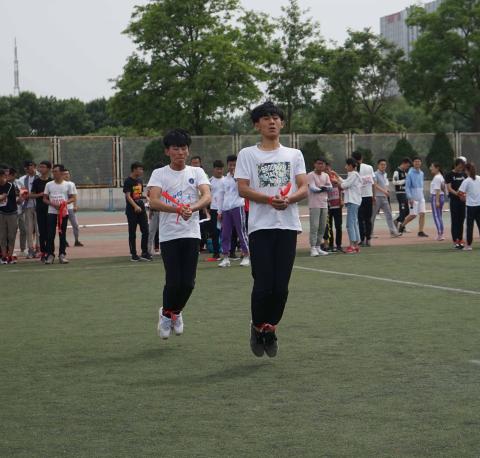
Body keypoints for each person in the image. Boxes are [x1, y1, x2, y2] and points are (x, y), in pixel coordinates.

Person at [235, 101, 308, 358]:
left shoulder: (294, 154)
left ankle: (271, 328)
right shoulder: (248, 154)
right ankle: (257, 327)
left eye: (276, 117)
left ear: (282, 123)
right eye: (266, 118)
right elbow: (242, 188)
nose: (272, 122)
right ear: (257, 125)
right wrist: (269, 200)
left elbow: (303, 186)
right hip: (260, 227)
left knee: (281, 287)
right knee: (263, 284)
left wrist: (289, 199)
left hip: (287, 225)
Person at [148, 129, 211, 340]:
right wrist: (177, 209)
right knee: (174, 281)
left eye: (184, 148)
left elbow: (207, 195)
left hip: (191, 233)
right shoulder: (159, 174)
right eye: (175, 148)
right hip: (169, 235)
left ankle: (176, 311)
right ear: (167, 151)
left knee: (188, 283)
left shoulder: (197, 172)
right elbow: (154, 200)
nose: (180, 152)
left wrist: (192, 208)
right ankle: (166, 314)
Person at [217, 155, 250, 267]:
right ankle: (226, 258)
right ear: (227, 165)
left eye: (234, 165)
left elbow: (245, 189)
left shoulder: (241, 178)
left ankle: (246, 256)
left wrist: (237, 177)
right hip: (226, 209)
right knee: (225, 233)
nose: (232, 167)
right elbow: (221, 196)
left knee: (241, 232)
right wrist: (219, 211)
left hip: (238, 207)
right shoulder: (224, 180)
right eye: (230, 165)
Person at [43, 164, 77, 265]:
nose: (54, 173)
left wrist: (64, 203)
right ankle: (50, 255)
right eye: (53, 171)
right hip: (51, 212)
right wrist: (53, 204)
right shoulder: (49, 184)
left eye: (56, 171)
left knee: (62, 234)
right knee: (50, 234)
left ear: (61, 173)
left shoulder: (68, 185)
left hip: (63, 212)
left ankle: (62, 254)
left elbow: (73, 198)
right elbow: (44, 199)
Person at [123, 162, 151, 262]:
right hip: (131, 211)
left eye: (142, 169)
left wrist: (146, 197)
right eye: (140, 169)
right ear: (134, 169)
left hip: (141, 209)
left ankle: (144, 252)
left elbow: (138, 195)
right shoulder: (128, 181)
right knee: (132, 233)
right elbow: (128, 196)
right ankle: (134, 254)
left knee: (146, 231)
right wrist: (135, 206)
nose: (142, 171)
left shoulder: (139, 180)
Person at [307, 158, 332, 257]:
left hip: (324, 204)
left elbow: (330, 187)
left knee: (322, 226)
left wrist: (324, 188)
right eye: (319, 163)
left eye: (323, 164)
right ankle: (313, 247)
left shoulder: (326, 175)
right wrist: (323, 188)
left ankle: (318, 246)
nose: (321, 165)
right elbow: (313, 188)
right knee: (314, 226)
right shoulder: (310, 175)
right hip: (314, 204)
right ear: (315, 164)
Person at [337, 158, 362, 254]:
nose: (345, 167)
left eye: (347, 165)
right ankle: (356, 245)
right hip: (354, 201)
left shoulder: (354, 175)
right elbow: (345, 182)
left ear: (351, 166)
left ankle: (352, 245)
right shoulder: (353, 175)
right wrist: (337, 176)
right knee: (354, 223)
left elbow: (344, 185)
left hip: (353, 201)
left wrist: (336, 181)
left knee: (350, 224)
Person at [399, 157, 428, 237]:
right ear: (413, 163)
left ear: (421, 163)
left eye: (418, 161)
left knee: (422, 213)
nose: (417, 163)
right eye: (415, 161)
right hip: (413, 197)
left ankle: (420, 231)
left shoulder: (422, 173)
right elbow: (407, 187)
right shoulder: (410, 173)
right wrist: (410, 197)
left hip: (421, 196)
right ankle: (402, 225)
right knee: (413, 215)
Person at [352, 151, 375, 247]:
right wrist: (373, 195)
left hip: (358, 197)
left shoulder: (353, 169)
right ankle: (368, 239)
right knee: (368, 219)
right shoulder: (369, 167)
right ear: (362, 158)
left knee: (360, 219)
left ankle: (361, 239)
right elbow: (373, 183)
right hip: (368, 195)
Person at [30, 161, 52, 262]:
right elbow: (31, 195)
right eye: (40, 167)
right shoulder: (36, 181)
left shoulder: (51, 182)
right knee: (42, 232)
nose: (41, 169)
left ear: (48, 169)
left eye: (43, 167)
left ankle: (50, 252)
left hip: (51, 210)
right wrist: (40, 194)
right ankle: (43, 252)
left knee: (50, 232)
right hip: (40, 209)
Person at [372, 159, 400, 238]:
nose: (383, 166)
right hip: (377, 197)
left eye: (384, 165)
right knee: (372, 216)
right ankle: (370, 233)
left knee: (389, 215)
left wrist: (387, 190)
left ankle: (393, 232)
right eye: (381, 164)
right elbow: (375, 185)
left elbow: (385, 184)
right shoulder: (375, 174)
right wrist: (384, 191)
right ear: (378, 165)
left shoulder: (385, 174)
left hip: (384, 198)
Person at [445, 158, 467, 249]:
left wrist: (464, 195)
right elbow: (449, 188)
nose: (460, 168)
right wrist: (458, 194)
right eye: (459, 166)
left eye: (462, 167)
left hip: (463, 201)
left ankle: (460, 239)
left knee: (461, 220)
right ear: (455, 165)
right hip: (454, 200)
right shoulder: (449, 174)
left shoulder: (464, 174)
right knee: (455, 220)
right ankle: (455, 240)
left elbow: (467, 187)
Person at [458, 163, 480, 251]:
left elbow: (460, 192)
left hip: (470, 206)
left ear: (466, 170)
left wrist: (463, 198)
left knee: (469, 226)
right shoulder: (479, 178)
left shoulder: (466, 181)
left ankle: (468, 245)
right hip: (479, 205)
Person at [19, 160, 39, 258]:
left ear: (35, 166)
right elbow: (24, 194)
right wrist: (27, 196)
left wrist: (30, 195)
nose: (29, 168)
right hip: (27, 207)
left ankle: (39, 249)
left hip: (39, 206)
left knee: (39, 229)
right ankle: (30, 249)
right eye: (27, 167)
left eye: (31, 166)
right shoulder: (22, 179)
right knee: (29, 229)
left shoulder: (40, 177)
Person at [0, 169, 20, 264]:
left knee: (11, 236)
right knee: (2, 236)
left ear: (2, 176)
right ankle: (4, 257)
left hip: (12, 213)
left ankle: (10, 255)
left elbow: (3, 197)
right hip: (1, 213)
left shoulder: (10, 185)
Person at [324, 164, 343, 253]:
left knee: (338, 226)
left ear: (330, 169)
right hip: (328, 206)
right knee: (329, 227)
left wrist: (341, 200)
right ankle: (331, 245)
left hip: (337, 205)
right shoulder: (323, 179)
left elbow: (342, 188)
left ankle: (338, 245)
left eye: (328, 169)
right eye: (325, 170)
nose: (327, 171)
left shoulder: (335, 178)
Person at [147, 162, 164, 256]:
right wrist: (150, 210)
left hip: (165, 211)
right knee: (151, 231)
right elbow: (150, 198)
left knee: (164, 231)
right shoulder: (152, 183)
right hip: (155, 210)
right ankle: (148, 251)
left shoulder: (167, 182)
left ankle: (164, 250)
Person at [63, 169, 84, 247]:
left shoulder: (72, 184)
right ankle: (64, 241)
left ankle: (76, 240)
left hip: (70, 208)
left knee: (75, 225)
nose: (66, 175)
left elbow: (74, 196)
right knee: (63, 226)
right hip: (62, 209)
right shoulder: (60, 184)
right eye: (64, 174)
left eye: (67, 174)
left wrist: (75, 206)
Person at [209, 159, 225, 260]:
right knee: (215, 232)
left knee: (227, 231)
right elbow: (206, 196)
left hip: (225, 209)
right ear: (214, 169)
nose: (219, 171)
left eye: (221, 169)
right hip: (214, 209)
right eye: (217, 169)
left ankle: (229, 252)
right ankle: (216, 254)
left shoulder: (226, 180)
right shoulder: (209, 181)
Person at [392, 158, 411, 230]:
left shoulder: (405, 172)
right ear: (403, 163)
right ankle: (401, 226)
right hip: (400, 193)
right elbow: (394, 182)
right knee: (402, 210)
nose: (407, 167)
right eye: (407, 166)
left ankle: (397, 221)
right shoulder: (397, 171)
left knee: (407, 211)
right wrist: (404, 181)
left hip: (405, 193)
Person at [429, 162, 446, 241]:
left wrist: (437, 201)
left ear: (437, 168)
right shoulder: (441, 176)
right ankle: (441, 233)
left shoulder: (437, 177)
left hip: (436, 197)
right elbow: (443, 188)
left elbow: (437, 190)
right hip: (441, 196)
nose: (430, 168)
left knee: (436, 216)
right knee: (439, 216)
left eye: (432, 167)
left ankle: (440, 234)